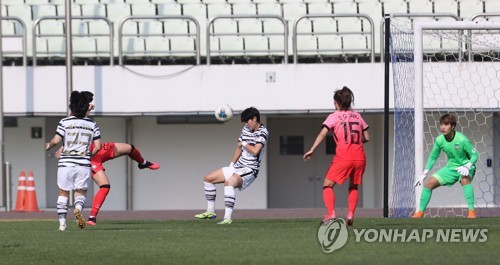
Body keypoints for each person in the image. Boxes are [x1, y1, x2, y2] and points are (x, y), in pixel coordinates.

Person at [56, 91, 160, 226]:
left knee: (129, 148)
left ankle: (143, 163)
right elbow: (73, 133)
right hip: (89, 157)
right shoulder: (72, 119)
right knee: (105, 186)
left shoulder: (80, 114)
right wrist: (63, 146)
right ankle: (92, 218)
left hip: (99, 149)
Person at [303, 86, 370, 226]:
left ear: (336, 103)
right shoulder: (357, 116)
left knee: (327, 185)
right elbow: (367, 137)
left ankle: (331, 214)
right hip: (360, 157)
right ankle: (350, 214)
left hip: (344, 156)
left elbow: (323, 133)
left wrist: (312, 149)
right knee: (354, 186)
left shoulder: (333, 116)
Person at [195, 107, 269, 224]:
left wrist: (244, 143)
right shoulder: (245, 129)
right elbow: (239, 148)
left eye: (247, 121)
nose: (246, 124)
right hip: (238, 166)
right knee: (208, 179)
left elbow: (255, 151)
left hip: (250, 169)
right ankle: (210, 212)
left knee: (228, 183)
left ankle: (227, 218)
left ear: (254, 119)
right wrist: (231, 165)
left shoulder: (263, 132)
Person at [45, 91, 102, 231]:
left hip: (66, 164)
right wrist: (88, 155)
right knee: (80, 192)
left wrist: (49, 145)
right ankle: (77, 209)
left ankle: (62, 224)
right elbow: (98, 147)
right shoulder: (92, 124)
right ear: (86, 107)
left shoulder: (64, 122)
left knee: (63, 193)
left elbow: (56, 140)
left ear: (71, 107)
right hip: (83, 164)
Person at [412, 113, 479, 219]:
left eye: (446, 124)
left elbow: (475, 155)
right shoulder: (439, 140)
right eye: (441, 124)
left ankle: (471, 212)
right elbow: (433, 157)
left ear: (453, 126)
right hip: (451, 168)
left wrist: (467, 166)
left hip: (466, 167)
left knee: (465, 179)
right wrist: (424, 174)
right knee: (429, 183)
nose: (443, 127)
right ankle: (420, 213)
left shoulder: (462, 139)